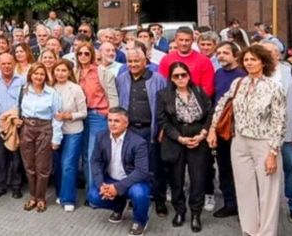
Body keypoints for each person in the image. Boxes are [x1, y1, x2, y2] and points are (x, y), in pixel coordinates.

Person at [207, 44, 286, 236]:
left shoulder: (274, 87)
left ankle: (266, 232)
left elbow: (279, 122)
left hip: (264, 143)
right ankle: (249, 230)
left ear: (263, 62)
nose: (249, 63)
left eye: (254, 59)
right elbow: (221, 105)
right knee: (244, 188)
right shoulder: (238, 83)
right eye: (246, 59)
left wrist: (273, 153)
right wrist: (212, 129)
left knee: (268, 191)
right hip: (239, 141)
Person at [157, 61, 212, 232]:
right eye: (176, 76)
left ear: (189, 76)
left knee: (198, 178)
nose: (180, 78)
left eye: (183, 75)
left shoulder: (199, 91)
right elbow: (163, 120)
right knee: (176, 178)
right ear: (171, 78)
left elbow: (210, 113)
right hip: (176, 137)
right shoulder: (164, 95)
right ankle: (179, 210)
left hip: (198, 136)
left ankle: (196, 213)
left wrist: (203, 134)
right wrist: (179, 138)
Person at [115, 44, 167, 216]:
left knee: (155, 167)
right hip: (130, 130)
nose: (133, 64)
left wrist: (162, 129)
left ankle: (159, 201)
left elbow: (164, 106)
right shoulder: (122, 78)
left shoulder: (158, 78)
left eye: (137, 61)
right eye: (130, 61)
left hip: (150, 130)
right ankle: (134, 199)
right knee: (130, 167)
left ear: (145, 61)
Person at [87, 108, 152, 236]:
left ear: (126, 123)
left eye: (116, 121)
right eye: (109, 120)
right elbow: (95, 162)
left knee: (139, 193)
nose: (112, 124)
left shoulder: (138, 142)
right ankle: (119, 206)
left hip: (132, 181)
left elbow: (141, 171)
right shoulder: (101, 137)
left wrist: (117, 188)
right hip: (110, 180)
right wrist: (102, 185)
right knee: (93, 196)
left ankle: (140, 221)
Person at [16, 63, 64, 212]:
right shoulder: (23, 91)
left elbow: (57, 117)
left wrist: (56, 138)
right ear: (30, 75)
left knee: (42, 167)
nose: (38, 77)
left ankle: (41, 197)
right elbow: (18, 109)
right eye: (36, 74)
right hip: (26, 129)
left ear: (46, 76)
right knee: (29, 166)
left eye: (42, 74)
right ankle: (32, 197)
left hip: (44, 129)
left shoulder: (52, 93)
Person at [268, 42, 292, 225]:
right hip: (263, 134)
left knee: (291, 170)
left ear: (279, 54)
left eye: (272, 52)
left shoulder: (291, 73)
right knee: (264, 171)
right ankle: (268, 206)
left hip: (287, 132)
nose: (267, 55)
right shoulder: (253, 71)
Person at [74, 40, 119, 186]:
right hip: (80, 117)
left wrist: (113, 117)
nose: (83, 56)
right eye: (80, 53)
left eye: (87, 53)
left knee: (94, 155)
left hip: (98, 115)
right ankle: (90, 191)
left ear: (92, 55)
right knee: (85, 154)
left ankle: (95, 192)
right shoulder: (74, 72)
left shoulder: (102, 72)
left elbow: (112, 96)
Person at [210, 41, 246, 218]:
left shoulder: (243, 75)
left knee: (241, 170)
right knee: (224, 167)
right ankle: (230, 203)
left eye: (225, 52)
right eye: (219, 53)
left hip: (240, 130)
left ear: (235, 55)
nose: (221, 56)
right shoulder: (217, 74)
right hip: (222, 129)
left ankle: (245, 207)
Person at [50, 59, 86, 212]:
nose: (60, 73)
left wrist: (68, 116)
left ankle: (68, 198)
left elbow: (84, 113)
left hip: (73, 131)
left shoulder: (76, 89)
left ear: (69, 72)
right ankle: (60, 193)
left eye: (64, 70)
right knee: (57, 165)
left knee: (68, 165)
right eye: (57, 70)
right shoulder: (50, 88)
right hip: (55, 133)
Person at [0, 52, 26, 199]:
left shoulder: (22, 80)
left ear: (14, 64)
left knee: (16, 158)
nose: (6, 66)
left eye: (9, 63)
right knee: (0, 157)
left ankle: (16, 186)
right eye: (3, 63)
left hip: (17, 123)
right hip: (1, 125)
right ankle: (0, 186)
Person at [159, 27, 215, 97]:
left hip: (198, 102)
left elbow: (208, 87)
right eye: (181, 40)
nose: (184, 43)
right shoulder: (166, 59)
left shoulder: (204, 60)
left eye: (187, 40)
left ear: (192, 40)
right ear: (176, 40)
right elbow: (162, 84)